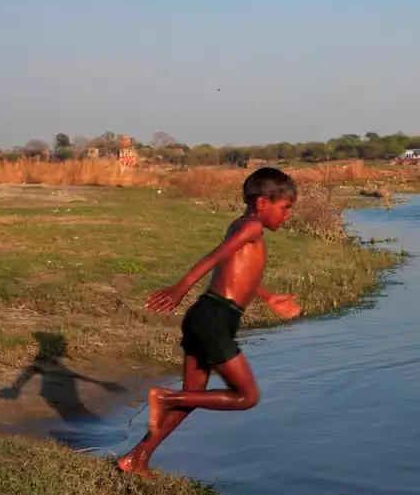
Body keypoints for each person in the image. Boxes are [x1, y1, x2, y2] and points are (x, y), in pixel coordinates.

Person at [117, 167, 302, 478]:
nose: (286, 216)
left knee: (193, 396)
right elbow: (214, 257)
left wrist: (269, 297)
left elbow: (238, 273)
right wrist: (181, 287)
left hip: (206, 315)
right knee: (246, 397)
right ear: (261, 203)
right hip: (215, 319)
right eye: (284, 208)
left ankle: (136, 458)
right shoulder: (252, 228)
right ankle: (164, 397)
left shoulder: (240, 225)